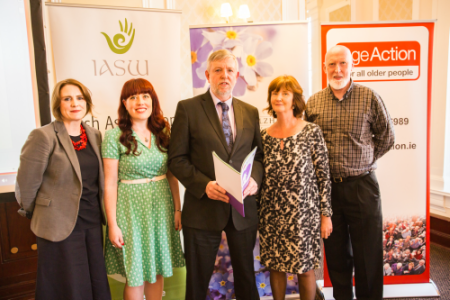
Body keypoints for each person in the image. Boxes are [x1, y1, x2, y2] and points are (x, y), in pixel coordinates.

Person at [168, 49, 264, 300]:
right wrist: (204, 185)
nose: (225, 76)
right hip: (202, 210)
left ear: (238, 76)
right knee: (197, 283)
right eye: (218, 70)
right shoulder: (188, 109)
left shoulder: (250, 112)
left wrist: (254, 179)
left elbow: (259, 157)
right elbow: (176, 159)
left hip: (242, 211)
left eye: (230, 70)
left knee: (247, 279)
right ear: (207, 75)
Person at [305, 45, 395, 300]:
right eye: (332, 64)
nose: (337, 69)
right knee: (336, 255)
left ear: (352, 65)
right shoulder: (314, 103)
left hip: (363, 187)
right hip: (328, 191)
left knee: (368, 254)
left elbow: (387, 137)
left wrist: (364, 161)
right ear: (324, 68)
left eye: (342, 63)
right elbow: (309, 146)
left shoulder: (369, 97)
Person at [15, 79, 111, 300]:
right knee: (68, 285)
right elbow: (26, 184)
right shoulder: (43, 136)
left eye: (79, 98)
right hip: (58, 223)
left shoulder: (94, 135)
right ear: (58, 104)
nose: (74, 103)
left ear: (87, 102)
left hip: (92, 222)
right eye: (67, 98)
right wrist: (40, 212)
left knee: (95, 279)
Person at [102, 78, 185, 300]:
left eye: (145, 96)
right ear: (125, 103)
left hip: (161, 208)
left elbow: (171, 175)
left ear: (153, 101)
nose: (140, 101)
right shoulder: (113, 136)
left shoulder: (164, 132)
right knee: (136, 274)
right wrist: (113, 224)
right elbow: (109, 183)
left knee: (157, 271)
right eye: (133, 97)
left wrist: (178, 209)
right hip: (130, 211)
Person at [258, 75, 332, 300]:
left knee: (305, 268)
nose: (278, 97)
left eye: (285, 93)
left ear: (295, 100)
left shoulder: (311, 131)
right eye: (275, 93)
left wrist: (326, 215)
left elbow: (324, 176)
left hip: (303, 215)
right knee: (276, 267)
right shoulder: (263, 137)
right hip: (271, 214)